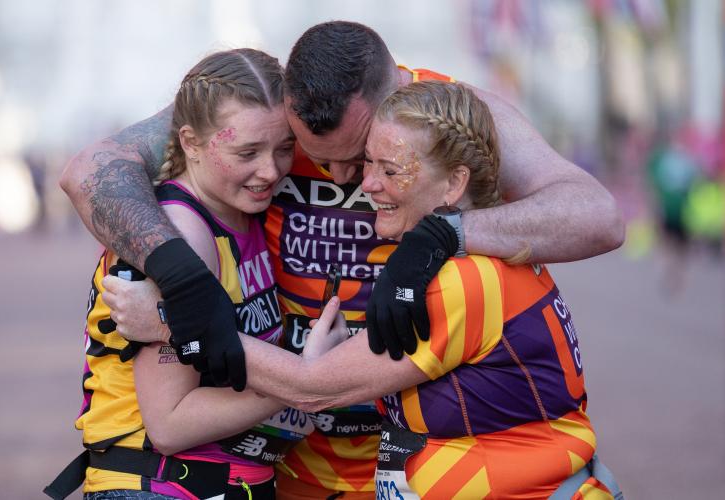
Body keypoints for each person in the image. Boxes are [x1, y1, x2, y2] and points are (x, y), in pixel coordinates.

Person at [61, 21, 624, 499]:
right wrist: (184, 282)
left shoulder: (441, 117)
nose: (341, 178)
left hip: (405, 445)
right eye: (310, 154)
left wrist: (446, 234)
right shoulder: (276, 106)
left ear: (394, 100)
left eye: (361, 158)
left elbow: (597, 215)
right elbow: (92, 170)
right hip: (293, 458)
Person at [233, 80, 621, 498]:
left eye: (391, 170)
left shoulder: (462, 280)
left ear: (454, 184)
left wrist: (184, 323)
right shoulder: (474, 258)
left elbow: (310, 386)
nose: (367, 185)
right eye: (369, 162)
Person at [45, 48, 307, 500]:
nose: (270, 170)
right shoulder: (185, 229)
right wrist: (301, 384)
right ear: (189, 141)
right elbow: (169, 422)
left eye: (284, 148)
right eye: (247, 152)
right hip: (162, 486)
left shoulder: (240, 210)